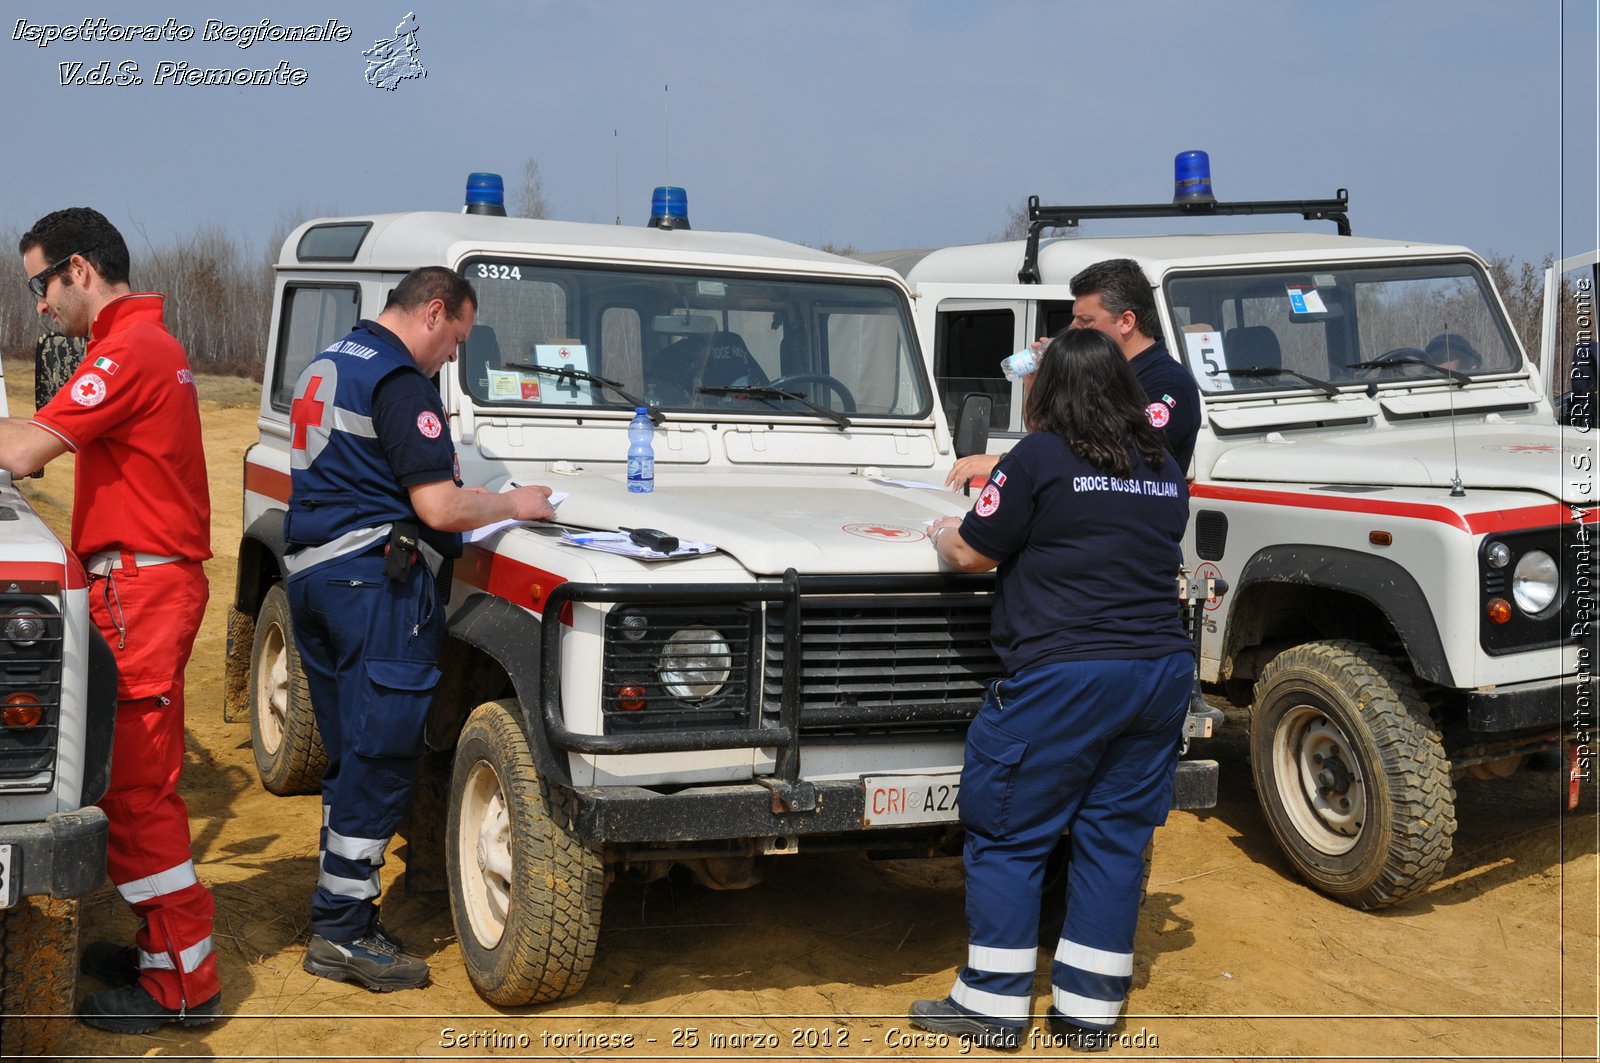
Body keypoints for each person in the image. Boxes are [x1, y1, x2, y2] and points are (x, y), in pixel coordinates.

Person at [911, 328, 1194, 1051]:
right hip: (1159, 674)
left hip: (1066, 676)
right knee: (1113, 840)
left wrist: (943, 532)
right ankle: (1088, 1014)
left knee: (1009, 833)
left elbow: (975, 550)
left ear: (1050, 390)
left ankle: (993, 1005)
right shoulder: (1162, 464)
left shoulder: (1038, 455)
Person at [284, 266, 556, 991]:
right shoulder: (402, 382)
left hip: (314, 579)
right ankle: (343, 932)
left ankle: (338, 906)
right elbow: (437, 507)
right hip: (375, 587)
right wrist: (512, 503)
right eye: (457, 339)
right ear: (435, 312)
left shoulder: (332, 359)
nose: (452, 357)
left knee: (350, 755)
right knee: (378, 757)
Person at [0, 208, 220, 1032]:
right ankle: (162, 951)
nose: (39, 307)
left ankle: (185, 982)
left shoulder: (129, 350)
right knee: (135, 781)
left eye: (40, 284)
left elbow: (24, 452)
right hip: (136, 588)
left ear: (79, 269)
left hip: (142, 592)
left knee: (135, 792)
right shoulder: (137, 346)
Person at [945, 257, 1201, 487]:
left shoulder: (1168, 384)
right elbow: (1044, 434)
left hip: (1133, 528)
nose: (1073, 329)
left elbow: (1120, 456)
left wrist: (1007, 462)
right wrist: (1036, 385)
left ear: (1126, 321)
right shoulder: (1095, 375)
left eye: (1086, 322)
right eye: (1075, 319)